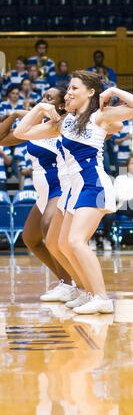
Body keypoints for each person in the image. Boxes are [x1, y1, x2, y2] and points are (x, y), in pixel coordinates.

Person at [15, 71, 133, 315]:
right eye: (68, 89)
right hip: (72, 189)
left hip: (93, 184)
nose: (69, 93)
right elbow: (22, 133)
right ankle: (87, 292)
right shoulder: (64, 122)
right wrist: (41, 108)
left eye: (75, 88)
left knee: (76, 241)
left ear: (90, 92)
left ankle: (102, 298)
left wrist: (113, 91)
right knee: (63, 244)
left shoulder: (100, 116)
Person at [0, 87, 79, 302]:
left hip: (60, 188)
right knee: (30, 239)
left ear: (61, 105)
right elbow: (2, 138)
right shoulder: (35, 128)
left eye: (49, 98)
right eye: (43, 96)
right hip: (43, 194)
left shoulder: (66, 126)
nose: (43, 100)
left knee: (47, 226)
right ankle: (66, 281)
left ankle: (72, 284)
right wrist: (15, 114)